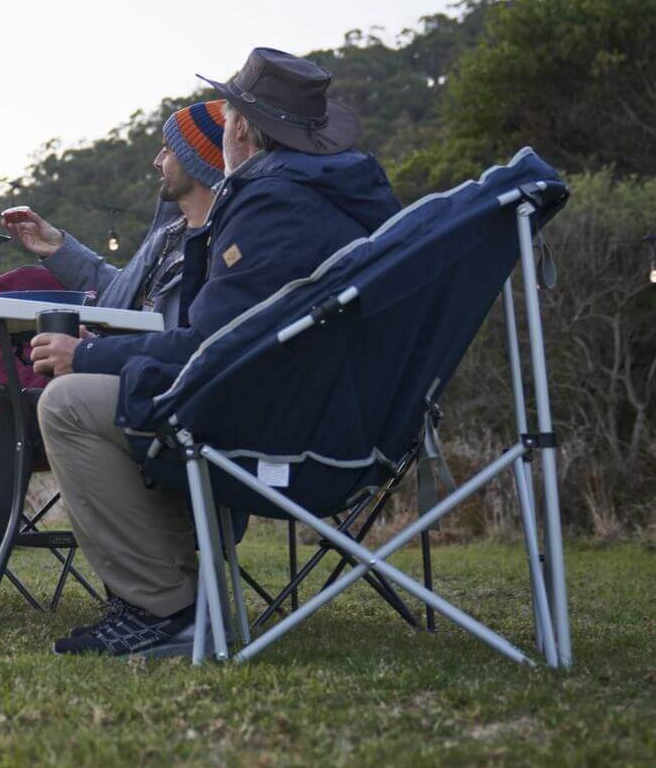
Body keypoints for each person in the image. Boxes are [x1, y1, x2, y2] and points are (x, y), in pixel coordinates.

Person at [27, 47, 400, 658]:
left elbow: (210, 343)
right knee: (104, 395)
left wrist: (85, 358)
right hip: (343, 417)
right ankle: (169, 591)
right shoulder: (338, 199)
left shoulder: (273, 205)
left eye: (226, 114)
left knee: (67, 402)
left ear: (242, 131)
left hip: (281, 429)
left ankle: (165, 608)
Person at [0, 101, 228, 625]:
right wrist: (55, 247)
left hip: (166, 393)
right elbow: (119, 292)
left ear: (198, 163)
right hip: (125, 376)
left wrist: (92, 352)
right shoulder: (169, 237)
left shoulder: (218, 241)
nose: (157, 160)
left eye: (169, 150)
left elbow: (190, 336)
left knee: (58, 405)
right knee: (10, 412)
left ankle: (146, 594)